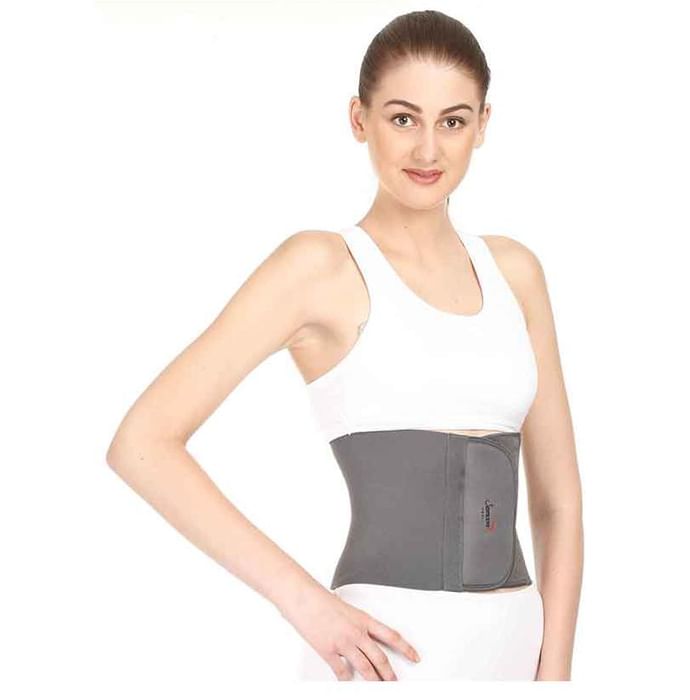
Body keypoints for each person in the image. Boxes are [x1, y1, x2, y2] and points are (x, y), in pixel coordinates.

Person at [106, 10, 583, 682]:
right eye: (402, 118)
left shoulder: (516, 273)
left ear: (483, 124)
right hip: (385, 654)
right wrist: (304, 602)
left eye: (452, 121)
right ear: (359, 119)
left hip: (516, 647)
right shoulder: (319, 267)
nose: (427, 150)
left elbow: (558, 504)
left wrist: (554, 676)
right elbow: (142, 443)